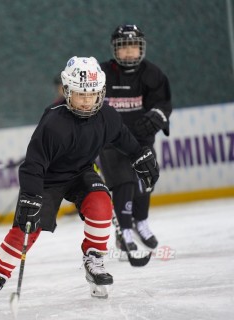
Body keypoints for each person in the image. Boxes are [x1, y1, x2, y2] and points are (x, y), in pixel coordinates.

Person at [0, 56, 159, 310]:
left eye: (92, 94)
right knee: (27, 228)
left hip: (80, 173)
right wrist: (31, 196)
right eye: (80, 94)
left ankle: (94, 259)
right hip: (47, 179)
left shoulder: (108, 117)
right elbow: (33, 165)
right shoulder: (54, 123)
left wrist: (139, 155)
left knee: (102, 204)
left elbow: (123, 139)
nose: (86, 100)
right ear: (67, 92)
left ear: (101, 92)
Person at [98, 24, 172, 251]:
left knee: (145, 180)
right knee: (123, 182)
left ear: (142, 48)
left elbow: (163, 103)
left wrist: (157, 117)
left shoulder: (152, 74)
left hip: (141, 139)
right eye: (124, 46)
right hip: (112, 141)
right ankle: (125, 230)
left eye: (134, 46)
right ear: (114, 49)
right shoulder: (101, 73)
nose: (129, 51)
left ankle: (141, 222)